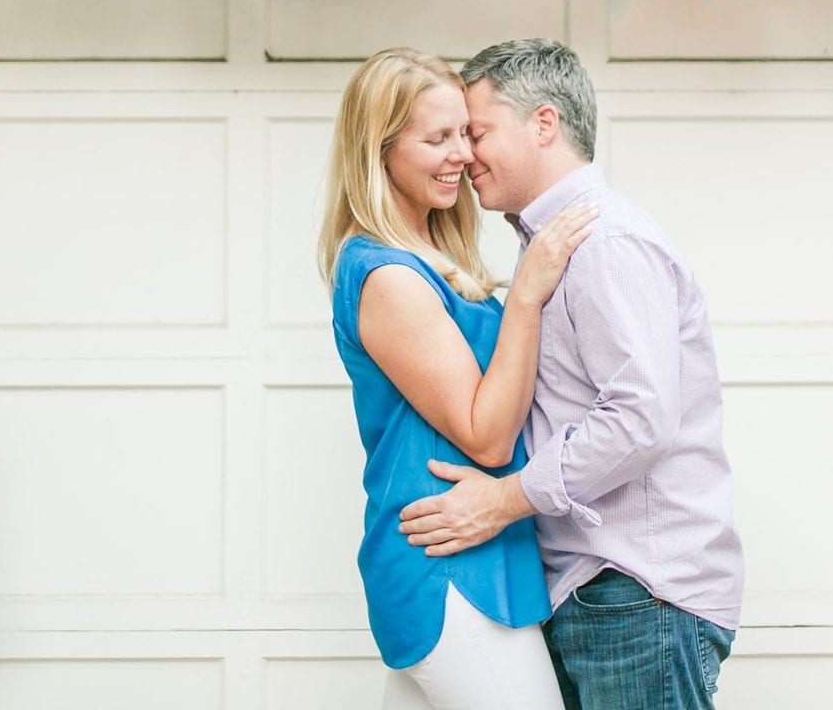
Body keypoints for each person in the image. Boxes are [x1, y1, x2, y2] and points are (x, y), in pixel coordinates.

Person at [397, 38, 745, 710]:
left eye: (479, 132)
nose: (466, 155)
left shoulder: (604, 243)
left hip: (637, 593)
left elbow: (639, 420)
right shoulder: (554, 245)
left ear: (544, 123)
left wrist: (500, 501)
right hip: (606, 594)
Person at [318, 46, 599, 710]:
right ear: (379, 151)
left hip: (481, 562)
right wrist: (526, 296)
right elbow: (487, 437)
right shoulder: (386, 275)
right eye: (437, 138)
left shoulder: (432, 259)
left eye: (467, 136)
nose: (463, 156)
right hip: (447, 572)